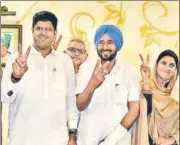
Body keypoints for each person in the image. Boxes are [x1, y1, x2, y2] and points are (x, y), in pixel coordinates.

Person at [1, 11, 78, 145]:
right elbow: (4, 97)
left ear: (55, 33)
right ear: (32, 31)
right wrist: (15, 77)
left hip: (58, 139)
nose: (43, 33)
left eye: (48, 29)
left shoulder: (65, 61)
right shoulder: (16, 59)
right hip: (22, 138)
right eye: (39, 28)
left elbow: (71, 99)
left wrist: (72, 135)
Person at [75, 24, 140, 145]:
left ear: (117, 44)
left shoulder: (129, 71)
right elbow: (79, 105)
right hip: (88, 139)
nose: (105, 47)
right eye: (101, 42)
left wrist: (110, 141)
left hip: (118, 141)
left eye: (110, 42)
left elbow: (134, 110)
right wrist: (92, 84)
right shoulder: (86, 68)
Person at [135, 50, 179, 145]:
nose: (167, 67)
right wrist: (146, 83)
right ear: (156, 66)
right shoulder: (142, 86)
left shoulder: (175, 102)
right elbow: (144, 112)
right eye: (163, 63)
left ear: (176, 71)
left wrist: (173, 139)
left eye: (171, 65)